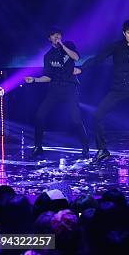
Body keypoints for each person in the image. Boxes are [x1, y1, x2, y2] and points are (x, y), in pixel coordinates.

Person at [83, 19, 129, 164]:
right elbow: (98, 58)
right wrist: (81, 68)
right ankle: (102, 150)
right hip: (117, 88)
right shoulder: (116, 47)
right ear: (124, 33)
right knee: (98, 115)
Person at [25, 27, 89, 159]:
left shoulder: (69, 46)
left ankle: (85, 146)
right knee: (39, 115)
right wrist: (35, 80)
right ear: (49, 38)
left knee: (76, 119)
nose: (57, 37)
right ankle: (38, 146)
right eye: (54, 35)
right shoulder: (48, 56)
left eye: (59, 35)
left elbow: (76, 57)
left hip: (70, 87)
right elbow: (48, 76)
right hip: (54, 89)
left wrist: (63, 47)